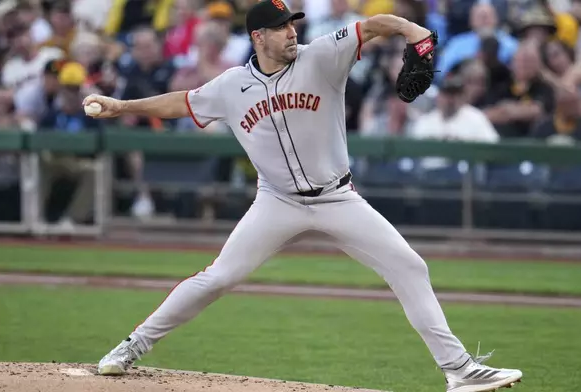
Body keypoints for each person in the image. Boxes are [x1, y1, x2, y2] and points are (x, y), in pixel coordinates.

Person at [83, 1, 523, 391]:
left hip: (338, 198)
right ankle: (129, 348)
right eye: (281, 26)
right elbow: (182, 101)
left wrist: (413, 31)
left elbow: (372, 25)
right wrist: (123, 107)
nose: (292, 31)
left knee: (409, 266)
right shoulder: (232, 85)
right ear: (258, 37)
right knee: (218, 278)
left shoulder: (323, 56)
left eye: (293, 24)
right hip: (276, 201)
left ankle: (458, 369)